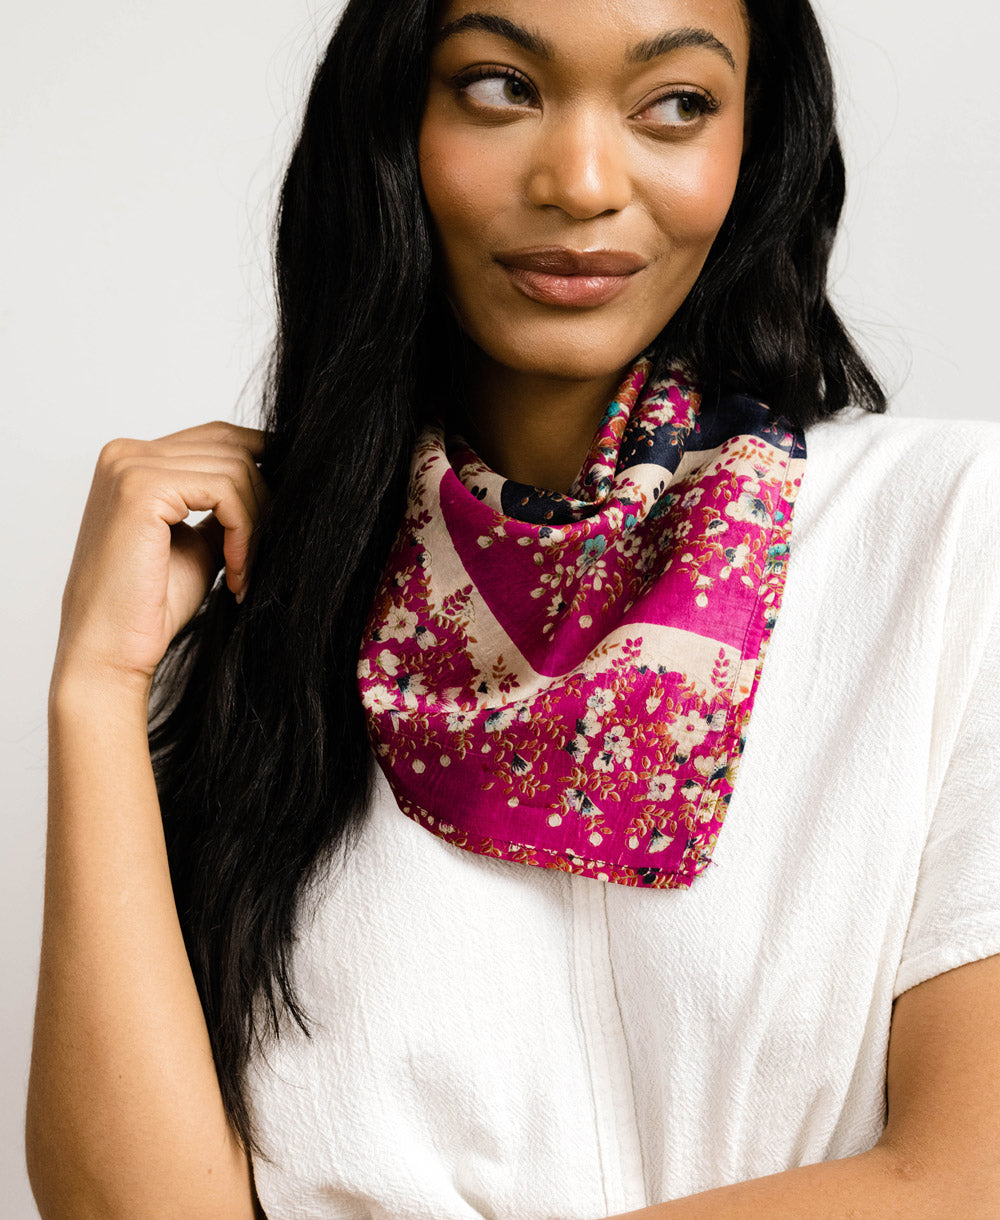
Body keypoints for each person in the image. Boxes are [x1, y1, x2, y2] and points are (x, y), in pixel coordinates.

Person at [24, 0, 1000, 1216]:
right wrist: (96, 687)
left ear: (756, 150)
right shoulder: (267, 601)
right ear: (390, 127)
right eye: (499, 87)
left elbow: (965, 1175)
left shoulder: (952, 534)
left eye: (677, 105)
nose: (583, 181)